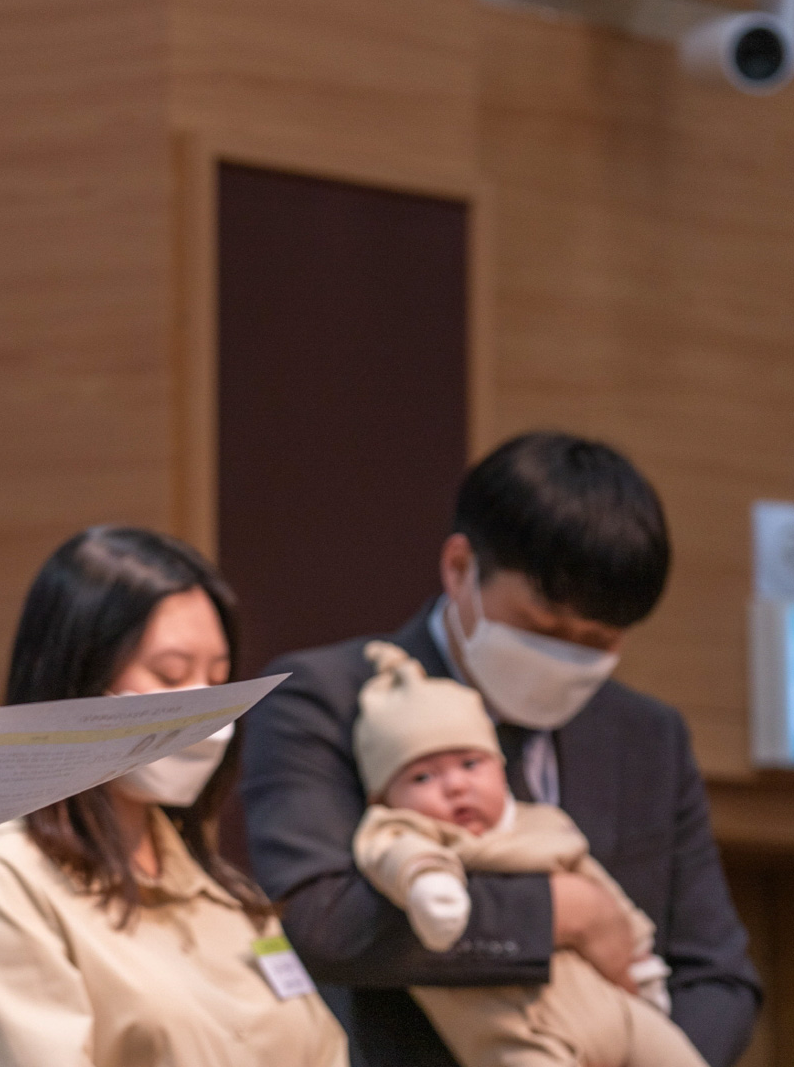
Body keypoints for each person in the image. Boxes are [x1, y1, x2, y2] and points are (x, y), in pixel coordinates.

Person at [240, 431, 761, 1067]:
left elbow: (718, 974)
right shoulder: (328, 699)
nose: (567, 655)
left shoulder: (647, 736)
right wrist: (564, 911)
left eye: (598, 641)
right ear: (460, 568)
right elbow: (325, 925)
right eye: (542, 628)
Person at [0, 527, 348, 1067]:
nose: (204, 712)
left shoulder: (223, 891)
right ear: (79, 676)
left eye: (218, 679)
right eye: (170, 673)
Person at [351, 641, 705, 1067]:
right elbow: (394, 854)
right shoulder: (406, 830)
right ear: (382, 798)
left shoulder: (543, 825)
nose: (456, 786)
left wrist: (642, 965)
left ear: (500, 768)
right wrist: (428, 883)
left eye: (470, 764)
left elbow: (605, 897)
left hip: (616, 1011)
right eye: (423, 776)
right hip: (520, 1036)